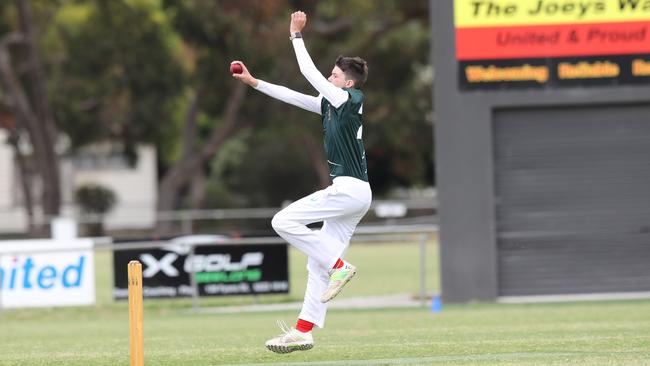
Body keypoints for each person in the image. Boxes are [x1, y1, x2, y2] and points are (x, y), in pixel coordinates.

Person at [231, 10, 372, 354]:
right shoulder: (331, 103)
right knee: (316, 262)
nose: (329, 76)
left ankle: (341, 268)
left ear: (347, 83)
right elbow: (293, 95)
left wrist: (295, 35)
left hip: (349, 190)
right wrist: (254, 83)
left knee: (282, 220)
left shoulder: (347, 99)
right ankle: (304, 331)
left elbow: (307, 72)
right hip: (354, 195)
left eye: (335, 74)